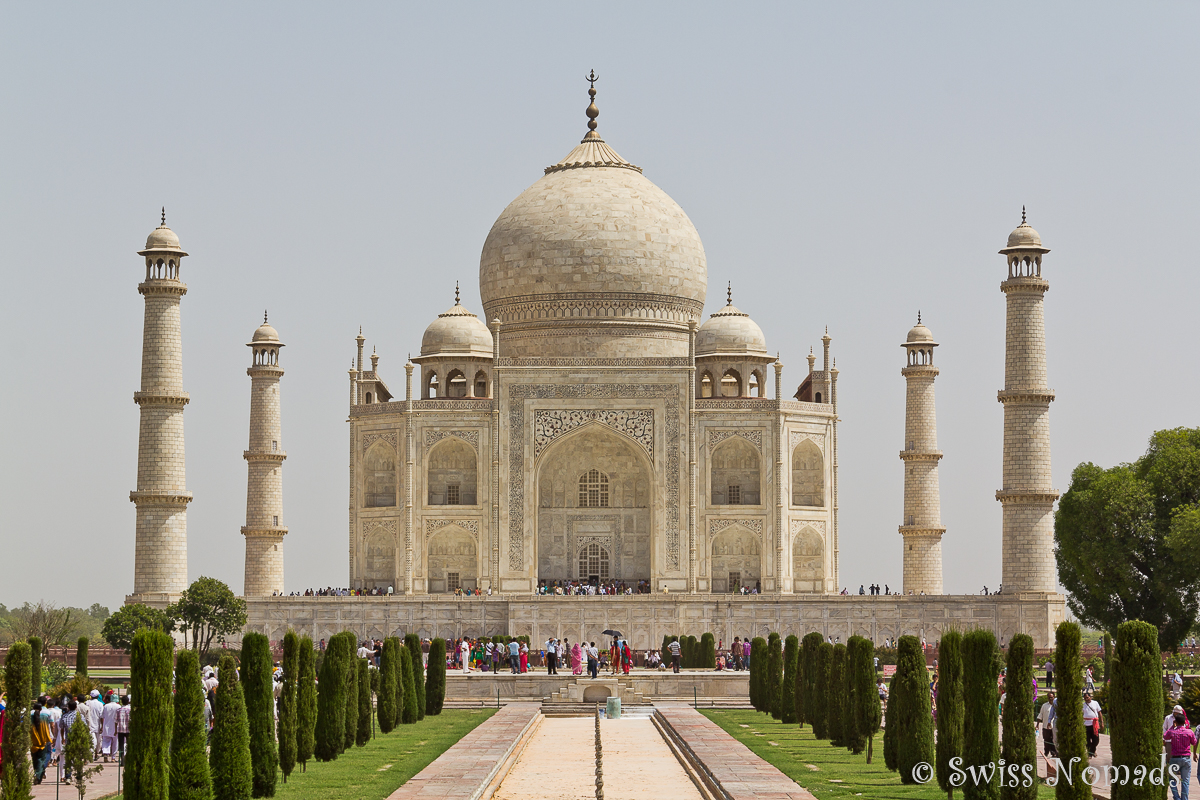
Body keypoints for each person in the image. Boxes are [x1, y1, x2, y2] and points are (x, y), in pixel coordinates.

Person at [1164, 710, 1195, 800]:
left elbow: (1165, 737)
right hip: (1186, 758)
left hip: (1175, 759)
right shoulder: (1189, 732)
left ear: (1175, 722)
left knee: (1172, 779)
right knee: (1185, 781)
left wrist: (1172, 727)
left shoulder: (1172, 732)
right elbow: (1194, 742)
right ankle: (1184, 798)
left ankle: (1176, 797)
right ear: (1185, 722)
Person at [30, 703, 52, 785]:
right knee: (41, 759)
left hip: (33, 741)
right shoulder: (44, 716)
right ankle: (38, 774)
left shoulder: (29, 717)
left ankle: (38, 775)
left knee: (35, 759)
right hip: (43, 741)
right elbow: (46, 729)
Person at [1082, 691, 1104, 758]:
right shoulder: (1083, 705)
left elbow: (1099, 713)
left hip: (1094, 724)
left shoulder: (1095, 703)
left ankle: (1092, 749)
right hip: (1086, 724)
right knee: (1087, 740)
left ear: (1090, 697)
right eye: (1085, 698)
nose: (1087, 699)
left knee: (1096, 740)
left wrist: (1102, 722)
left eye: (1088, 697)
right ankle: (1090, 753)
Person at [1037, 690, 1057, 757]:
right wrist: (1037, 724)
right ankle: (1046, 752)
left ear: (1054, 697)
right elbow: (1040, 715)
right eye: (1049, 697)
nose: (1050, 699)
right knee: (1046, 740)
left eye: (1051, 697)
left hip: (1054, 726)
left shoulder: (1056, 706)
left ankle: (1054, 752)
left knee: (1053, 740)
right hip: (1046, 726)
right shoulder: (1044, 705)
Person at [101, 691, 120, 761]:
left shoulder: (106, 706)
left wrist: (101, 725)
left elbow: (102, 716)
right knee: (115, 742)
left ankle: (105, 754)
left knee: (106, 741)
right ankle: (113, 757)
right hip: (115, 727)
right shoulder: (118, 706)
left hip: (106, 726)